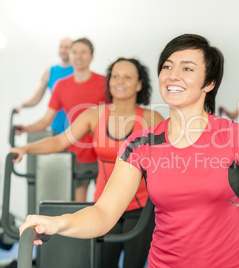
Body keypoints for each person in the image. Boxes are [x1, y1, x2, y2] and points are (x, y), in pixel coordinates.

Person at [19, 34, 239, 268]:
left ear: (209, 83)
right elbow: (104, 213)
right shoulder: (141, 144)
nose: (173, 75)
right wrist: (58, 223)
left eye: (187, 68)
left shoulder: (236, 137)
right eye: (168, 66)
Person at [11, 57, 164, 267]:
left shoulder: (152, 118)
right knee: (103, 263)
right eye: (115, 76)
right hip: (103, 205)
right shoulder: (94, 115)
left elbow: (171, 160)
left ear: (139, 84)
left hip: (141, 206)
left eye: (127, 77)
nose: (120, 81)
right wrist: (25, 149)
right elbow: (60, 141)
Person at [15, 37, 106, 202]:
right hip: (77, 154)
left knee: (107, 204)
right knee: (80, 207)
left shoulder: (105, 83)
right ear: (69, 56)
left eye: (83, 52)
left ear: (91, 56)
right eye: (75, 52)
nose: (79, 56)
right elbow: (46, 120)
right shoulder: (61, 85)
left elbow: (121, 117)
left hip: (105, 153)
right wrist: (26, 129)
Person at [14, 37, 73, 134]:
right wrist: (22, 105)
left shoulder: (79, 72)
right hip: (55, 126)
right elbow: (37, 97)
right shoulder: (50, 71)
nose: (63, 50)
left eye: (67, 47)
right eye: (61, 47)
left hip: (75, 127)